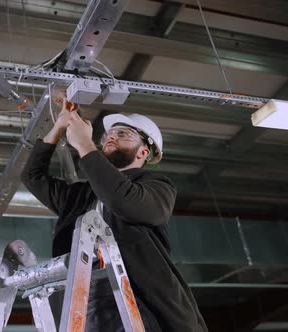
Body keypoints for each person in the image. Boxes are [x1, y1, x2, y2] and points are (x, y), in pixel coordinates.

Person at [21, 98, 207, 331]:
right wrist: (59, 126)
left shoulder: (157, 186)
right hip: (86, 304)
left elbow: (123, 200)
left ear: (143, 151)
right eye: (108, 134)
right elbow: (33, 177)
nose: (111, 137)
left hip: (138, 303)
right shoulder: (80, 197)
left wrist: (84, 144)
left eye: (123, 134)